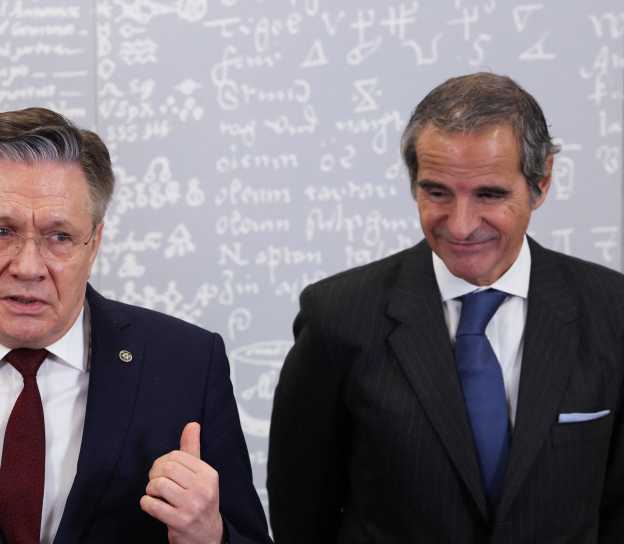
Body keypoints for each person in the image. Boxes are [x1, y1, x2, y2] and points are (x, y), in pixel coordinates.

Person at [0, 107, 271, 544]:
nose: (29, 267)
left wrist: (209, 536)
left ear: (93, 244)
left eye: (60, 237)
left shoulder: (187, 366)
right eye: (1, 231)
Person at [267, 72, 624, 542]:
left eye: (489, 194)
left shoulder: (612, 310)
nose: (460, 226)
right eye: (437, 192)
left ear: (541, 182)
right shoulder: (336, 316)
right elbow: (300, 515)